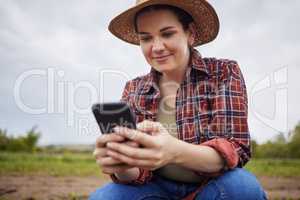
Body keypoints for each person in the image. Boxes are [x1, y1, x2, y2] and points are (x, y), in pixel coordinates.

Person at [90, 0, 267, 199]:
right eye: (146, 38)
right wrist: (123, 164)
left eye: (167, 34)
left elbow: (234, 149)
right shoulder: (134, 89)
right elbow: (138, 173)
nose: (156, 47)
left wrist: (174, 151)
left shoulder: (223, 73)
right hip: (156, 190)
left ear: (190, 33)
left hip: (213, 187)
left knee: (242, 187)